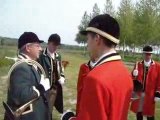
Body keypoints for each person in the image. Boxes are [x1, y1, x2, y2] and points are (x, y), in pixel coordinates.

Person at [62, 14, 133, 120]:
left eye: (88, 39)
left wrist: (69, 119)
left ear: (97, 38)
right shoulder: (125, 73)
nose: (87, 44)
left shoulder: (95, 78)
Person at [4, 32, 50, 120]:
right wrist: (41, 88)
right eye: (37, 46)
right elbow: (20, 96)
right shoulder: (21, 67)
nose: (40, 49)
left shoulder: (28, 64)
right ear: (28, 48)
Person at [38, 34, 65, 119]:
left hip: (54, 88)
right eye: (54, 44)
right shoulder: (41, 55)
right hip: (44, 89)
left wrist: (62, 77)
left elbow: (61, 68)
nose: (55, 47)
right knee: (42, 110)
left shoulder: (58, 56)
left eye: (57, 45)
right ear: (48, 43)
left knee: (49, 110)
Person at [131, 45, 160, 120]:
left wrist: (158, 92)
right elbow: (133, 79)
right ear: (143, 54)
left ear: (151, 55)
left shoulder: (157, 66)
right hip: (139, 93)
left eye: (149, 54)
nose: (147, 56)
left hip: (150, 94)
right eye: (146, 54)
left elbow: (159, 81)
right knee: (139, 112)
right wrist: (133, 74)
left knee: (149, 114)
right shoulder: (138, 64)